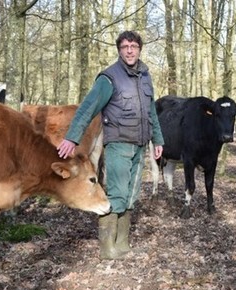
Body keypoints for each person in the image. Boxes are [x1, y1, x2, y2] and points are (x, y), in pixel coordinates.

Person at [57, 31, 164, 260]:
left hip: (140, 145)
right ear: (119, 49)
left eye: (133, 46)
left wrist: (158, 139)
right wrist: (71, 137)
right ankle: (107, 249)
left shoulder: (145, 75)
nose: (129, 50)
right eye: (125, 46)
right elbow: (88, 108)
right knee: (117, 193)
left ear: (139, 49)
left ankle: (122, 243)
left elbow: (151, 111)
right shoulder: (109, 78)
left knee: (132, 194)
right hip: (118, 144)